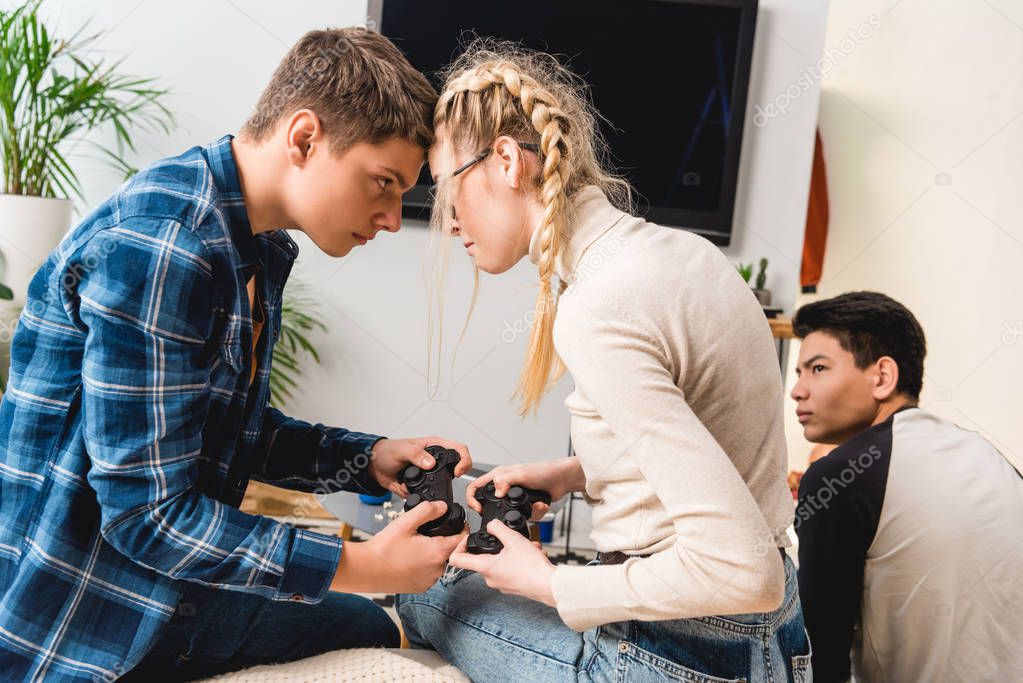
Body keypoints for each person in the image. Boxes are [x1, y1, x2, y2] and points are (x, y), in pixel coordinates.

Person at [0, 28, 472, 682]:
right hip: (83, 614)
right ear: (304, 138)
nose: (393, 217)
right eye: (383, 183)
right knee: (383, 621)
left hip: (168, 590)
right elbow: (146, 516)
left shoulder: (249, 245)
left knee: (379, 622)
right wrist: (365, 567)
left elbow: (222, 435)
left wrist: (367, 457)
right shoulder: (165, 247)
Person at [394, 40, 811, 682]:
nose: (446, 220)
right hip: (779, 635)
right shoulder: (685, 254)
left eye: (446, 187)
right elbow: (709, 452)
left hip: (685, 651)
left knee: (423, 592)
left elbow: (740, 570)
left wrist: (551, 583)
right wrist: (575, 474)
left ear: (506, 160)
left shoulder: (597, 305)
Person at [790, 291, 1023, 682]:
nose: (798, 390)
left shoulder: (837, 475)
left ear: (882, 376)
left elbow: (818, 657)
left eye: (817, 369)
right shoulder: (990, 457)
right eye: (798, 373)